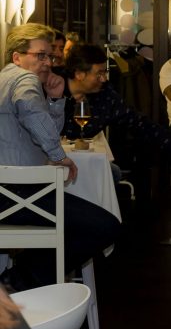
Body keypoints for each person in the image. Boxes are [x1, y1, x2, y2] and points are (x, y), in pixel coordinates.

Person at [0, 23, 120, 289]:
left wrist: (55, 101)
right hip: (15, 196)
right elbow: (29, 109)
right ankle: (16, 282)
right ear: (17, 57)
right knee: (105, 226)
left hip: (14, 194)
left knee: (80, 226)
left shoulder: (7, 79)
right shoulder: (24, 79)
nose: (48, 63)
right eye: (40, 55)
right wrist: (58, 155)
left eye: (50, 56)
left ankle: (20, 280)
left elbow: (42, 131)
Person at [61, 43, 171, 176]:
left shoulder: (105, 97)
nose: (104, 78)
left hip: (80, 160)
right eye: (99, 74)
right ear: (79, 74)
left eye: (104, 72)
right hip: (52, 161)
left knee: (112, 173)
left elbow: (144, 126)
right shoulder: (54, 89)